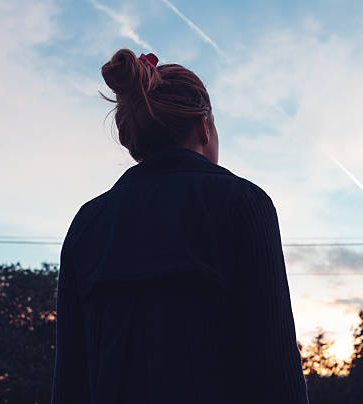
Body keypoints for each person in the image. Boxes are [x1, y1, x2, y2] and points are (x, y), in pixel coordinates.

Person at [50, 48, 309, 404]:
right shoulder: (243, 203)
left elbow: (70, 378)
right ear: (205, 126)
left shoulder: (88, 222)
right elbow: (275, 363)